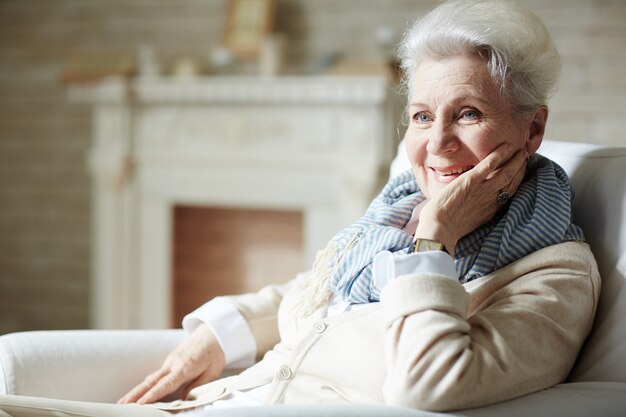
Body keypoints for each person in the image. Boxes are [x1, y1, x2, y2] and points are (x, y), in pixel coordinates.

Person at [0, 0, 600, 416]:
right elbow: (317, 295)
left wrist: (436, 243)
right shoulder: (396, 217)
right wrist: (221, 331)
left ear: (532, 129)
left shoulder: (555, 276)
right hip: (226, 399)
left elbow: (432, 384)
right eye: (422, 115)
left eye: (467, 114)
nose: (436, 143)